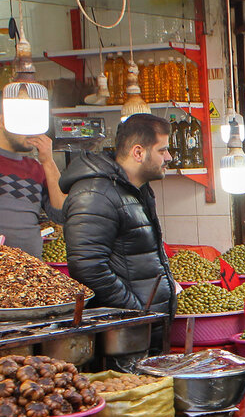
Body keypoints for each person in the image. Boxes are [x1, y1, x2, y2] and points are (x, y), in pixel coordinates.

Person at [61, 113, 174, 324]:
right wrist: (135, 313)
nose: (168, 157)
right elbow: (88, 268)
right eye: (162, 150)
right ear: (138, 152)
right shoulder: (96, 195)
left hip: (143, 328)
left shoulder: (137, 190)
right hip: (122, 334)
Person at [0, 90, 66, 256]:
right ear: (2, 121)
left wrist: (48, 162)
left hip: (31, 274)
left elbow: (61, 215)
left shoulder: (36, 168)